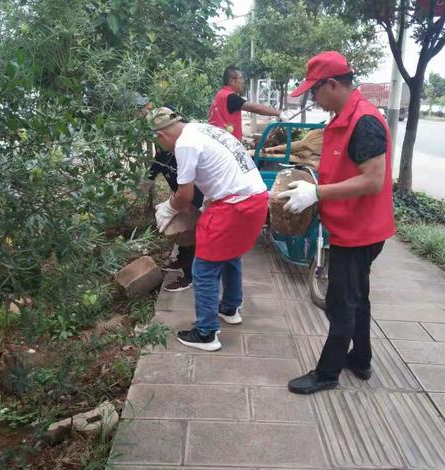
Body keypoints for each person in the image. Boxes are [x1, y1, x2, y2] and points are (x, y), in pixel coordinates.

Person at [278, 51, 395, 394]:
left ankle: (327, 373)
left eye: (314, 91)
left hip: (360, 231)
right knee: (357, 296)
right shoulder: (343, 117)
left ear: (333, 84)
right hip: (350, 227)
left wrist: (318, 193)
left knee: (340, 302)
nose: (313, 99)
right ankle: (360, 358)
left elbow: (374, 180)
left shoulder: (365, 122)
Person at [150, 107, 268, 351]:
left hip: (234, 205)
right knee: (230, 254)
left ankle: (206, 333)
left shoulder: (184, 144)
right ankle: (230, 307)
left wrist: (168, 209)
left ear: (161, 137)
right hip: (256, 198)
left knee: (203, 268)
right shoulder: (203, 129)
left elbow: (184, 194)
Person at [139, 102, 203, 292]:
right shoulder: (162, 155)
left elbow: (189, 186)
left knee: (188, 235)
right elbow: (150, 174)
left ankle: (189, 276)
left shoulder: (182, 149)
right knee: (182, 233)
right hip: (183, 196)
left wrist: (174, 205)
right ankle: (182, 261)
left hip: (194, 196)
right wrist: (138, 189)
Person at [209, 65, 289, 141]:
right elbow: (254, 108)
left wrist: (250, 138)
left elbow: (227, 125)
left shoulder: (221, 94)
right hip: (224, 145)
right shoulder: (229, 96)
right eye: (241, 78)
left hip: (220, 141)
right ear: (232, 81)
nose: (243, 82)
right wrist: (279, 113)